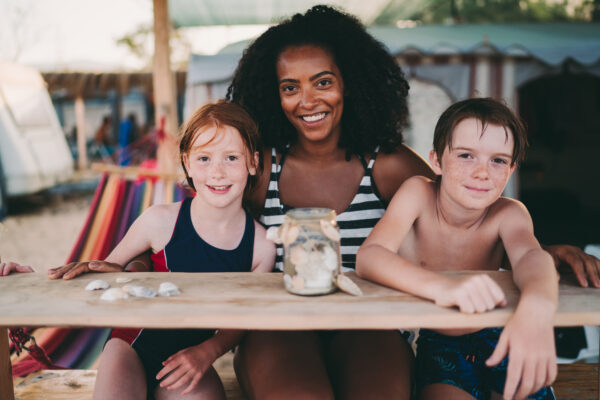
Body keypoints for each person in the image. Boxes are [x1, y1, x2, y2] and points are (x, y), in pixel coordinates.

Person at [225, 5, 599, 399]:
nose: (306, 100)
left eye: (323, 82)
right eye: (290, 87)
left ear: (348, 83)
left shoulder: (388, 165)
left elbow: (461, 210)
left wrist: (539, 252)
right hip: (281, 326)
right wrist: (149, 257)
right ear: (274, 94)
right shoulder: (260, 166)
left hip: (370, 323)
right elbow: (203, 228)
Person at [46, 101, 276, 400]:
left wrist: (207, 352)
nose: (217, 172)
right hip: (130, 347)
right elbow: (107, 271)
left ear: (254, 162)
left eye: (231, 158)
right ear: (187, 163)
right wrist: (104, 269)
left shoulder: (261, 245)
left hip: (192, 356)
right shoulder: (160, 220)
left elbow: (246, 318)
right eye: (204, 158)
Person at [357, 98, 557, 400]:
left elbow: (531, 257)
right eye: (466, 155)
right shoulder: (418, 194)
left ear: (512, 169)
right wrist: (444, 288)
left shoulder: (509, 213)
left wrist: (537, 308)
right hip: (441, 344)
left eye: (498, 160)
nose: (482, 172)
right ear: (436, 160)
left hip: (506, 334)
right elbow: (370, 256)